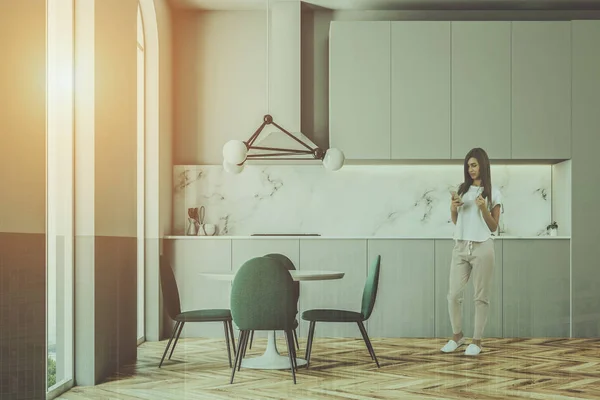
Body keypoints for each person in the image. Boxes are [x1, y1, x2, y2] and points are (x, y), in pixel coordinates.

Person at [441, 147, 502, 356]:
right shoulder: (463, 189)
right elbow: (458, 221)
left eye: (474, 165)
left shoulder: (494, 193)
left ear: (483, 165)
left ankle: (477, 341)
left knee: (480, 297)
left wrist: (484, 208)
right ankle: (457, 337)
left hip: (483, 247)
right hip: (460, 246)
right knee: (453, 295)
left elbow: (494, 226)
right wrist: (452, 207)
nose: (471, 169)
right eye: (468, 166)